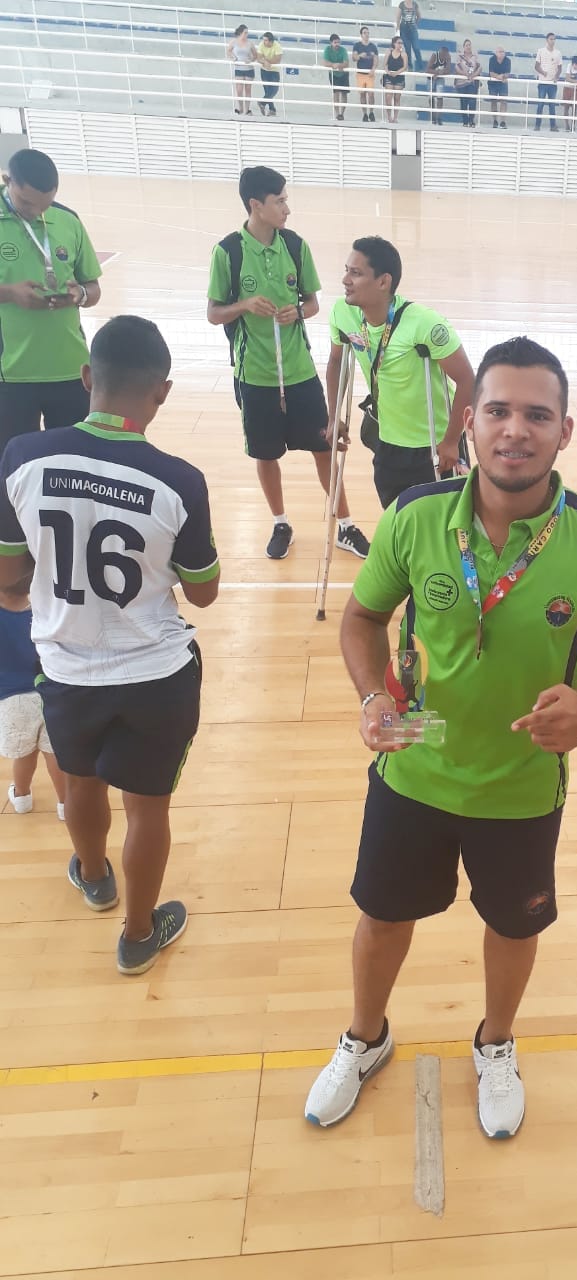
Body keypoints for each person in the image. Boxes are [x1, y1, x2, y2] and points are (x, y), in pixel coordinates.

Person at [302, 336, 577, 1137]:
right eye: (498, 410)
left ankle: (495, 1043)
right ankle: (365, 1037)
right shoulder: (415, 517)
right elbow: (362, 618)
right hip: (417, 762)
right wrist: (370, 701)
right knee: (382, 918)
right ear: (469, 421)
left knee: (513, 924)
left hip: (523, 781)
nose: (515, 430)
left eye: (538, 414)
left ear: (565, 431)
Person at [0, 315, 220, 974]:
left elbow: (9, 573)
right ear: (163, 392)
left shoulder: (22, 457)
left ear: (87, 377)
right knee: (148, 807)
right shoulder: (179, 481)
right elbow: (204, 593)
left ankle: (94, 875)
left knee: (84, 779)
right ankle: (137, 934)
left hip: (66, 669)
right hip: (156, 673)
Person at [207, 167, 369, 560]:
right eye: (279, 201)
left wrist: (297, 311)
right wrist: (244, 305)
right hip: (255, 376)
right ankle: (281, 522)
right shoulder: (228, 252)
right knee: (265, 454)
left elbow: (312, 303)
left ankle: (345, 525)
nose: (286, 208)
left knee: (323, 447)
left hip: (299, 372)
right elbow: (214, 313)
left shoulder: (295, 246)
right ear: (255, 205)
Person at [326, 236, 475, 509]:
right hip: (388, 443)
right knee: (397, 519)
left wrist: (452, 441)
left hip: (435, 445)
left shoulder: (425, 324)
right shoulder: (342, 313)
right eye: (346, 270)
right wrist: (333, 415)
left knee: (446, 524)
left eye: (356, 273)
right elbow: (336, 362)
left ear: (383, 282)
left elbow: (468, 381)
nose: (346, 280)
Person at [0, 149, 102, 452]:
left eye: (44, 205)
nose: (36, 213)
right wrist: (10, 293)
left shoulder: (67, 220)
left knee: (75, 462)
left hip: (71, 370)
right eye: (27, 204)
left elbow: (93, 288)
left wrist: (79, 295)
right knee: (14, 466)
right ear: (8, 181)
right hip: (11, 374)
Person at [0, 572, 65, 819]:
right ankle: (65, 804)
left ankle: (22, 797)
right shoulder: (44, 612)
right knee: (54, 752)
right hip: (50, 692)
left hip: (11, 699)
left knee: (24, 754)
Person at [534, 32, 562, 132]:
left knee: (552, 105)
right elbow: (536, 66)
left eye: (554, 39)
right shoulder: (541, 51)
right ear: (547, 40)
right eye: (551, 39)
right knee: (540, 104)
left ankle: (553, 126)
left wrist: (556, 77)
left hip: (552, 83)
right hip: (542, 82)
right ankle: (537, 125)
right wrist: (543, 72)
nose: (553, 41)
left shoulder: (558, 53)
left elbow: (560, 68)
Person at [227, 24, 255, 115]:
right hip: (239, 68)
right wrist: (233, 57)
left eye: (247, 33)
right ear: (240, 32)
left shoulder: (250, 43)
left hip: (248, 69)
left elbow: (255, 55)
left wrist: (250, 60)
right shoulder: (234, 42)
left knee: (248, 89)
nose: (246, 34)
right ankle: (241, 108)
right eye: (245, 33)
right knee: (239, 90)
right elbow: (228, 51)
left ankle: (247, 110)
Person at [353, 26, 379, 123]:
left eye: (367, 32)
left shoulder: (373, 46)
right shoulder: (357, 45)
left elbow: (376, 59)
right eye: (364, 32)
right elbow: (354, 58)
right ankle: (364, 114)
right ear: (361, 35)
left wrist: (373, 68)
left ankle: (371, 112)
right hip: (360, 74)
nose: (366, 34)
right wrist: (360, 56)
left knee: (371, 94)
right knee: (362, 95)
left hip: (369, 74)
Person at [321, 33, 350, 122]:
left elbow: (346, 63)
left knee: (344, 93)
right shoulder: (327, 50)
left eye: (338, 42)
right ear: (331, 43)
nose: (337, 44)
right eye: (335, 42)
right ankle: (337, 114)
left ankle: (342, 113)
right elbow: (325, 63)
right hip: (333, 74)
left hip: (344, 74)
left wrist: (338, 65)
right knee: (336, 93)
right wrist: (334, 65)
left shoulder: (343, 50)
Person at [454, 40, 482, 127]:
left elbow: (480, 67)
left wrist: (474, 75)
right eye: (466, 45)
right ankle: (465, 121)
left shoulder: (475, 57)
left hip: (472, 82)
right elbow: (456, 67)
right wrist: (465, 74)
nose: (468, 46)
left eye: (469, 45)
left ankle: (471, 121)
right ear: (464, 47)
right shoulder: (460, 57)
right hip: (462, 83)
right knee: (463, 102)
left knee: (472, 101)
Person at [255, 31, 282, 117]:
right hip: (264, 70)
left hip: (274, 71)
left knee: (274, 89)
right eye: (263, 40)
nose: (264, 42)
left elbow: (278, 59)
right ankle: (272, 110)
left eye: (266, 40)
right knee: (267, 91)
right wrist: (265, 62)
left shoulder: (277, 46)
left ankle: (262, 103)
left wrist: (266, 62)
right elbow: (258, 58)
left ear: (271, 41)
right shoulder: (261, 45)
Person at [382, 35, 407, 125]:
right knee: (388, 97)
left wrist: (396, 73)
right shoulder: (389, 52)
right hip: (389, 76)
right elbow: (384, 64)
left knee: (397, 97)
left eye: (401, 43)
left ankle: (395, 117)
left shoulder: (403, 54)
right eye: (399, 43)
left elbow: (405, 67)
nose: (400, 45)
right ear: (394, 43)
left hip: (399, 77)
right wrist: (387, 71)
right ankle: (389, 117)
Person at [396, 0, 423, 73]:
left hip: (413, 29)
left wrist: (415, 24)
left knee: (416, 47)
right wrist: (398, 29)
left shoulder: (415, 4)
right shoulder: (401, 4)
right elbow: (398, 17)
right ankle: (410, 66)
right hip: (404, 29)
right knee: (407, 48)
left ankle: (420, 67)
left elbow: (419, 16)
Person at [427, 43, 451, 126]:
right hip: (431, 78)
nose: (444, 56)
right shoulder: (434, 56)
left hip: (439, 78)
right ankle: (433, 117)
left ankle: (439, 117)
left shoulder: (448, 57)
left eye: (445, 55)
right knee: (431, 97)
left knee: (440, 97)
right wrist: (437, 72)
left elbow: (448, 70)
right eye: (443, 54)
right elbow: (427, 69)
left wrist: (439, 73)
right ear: (440, 53)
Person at [487, 46, 511, 128]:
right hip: (493, 84)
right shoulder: (492, 59)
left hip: (503, 83)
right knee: (493, 101)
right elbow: (491, 73)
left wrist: (503, 76)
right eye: (500, 52)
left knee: (503, 101)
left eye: (503, 51)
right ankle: (495, 121)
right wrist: (499, 77)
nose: (502, 53)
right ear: (496, 53)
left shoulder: (508, 60)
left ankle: (503, 121)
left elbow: (508, 73)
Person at [562, 54, 577, 129]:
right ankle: (566, 125)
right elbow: (567, 78)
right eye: (575, 65)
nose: (576, 66)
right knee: (566, 107)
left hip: (575, 89)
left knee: (574, 108)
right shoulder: (569, 66)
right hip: (567, 88)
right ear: (572, 64)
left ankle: (573, 125)